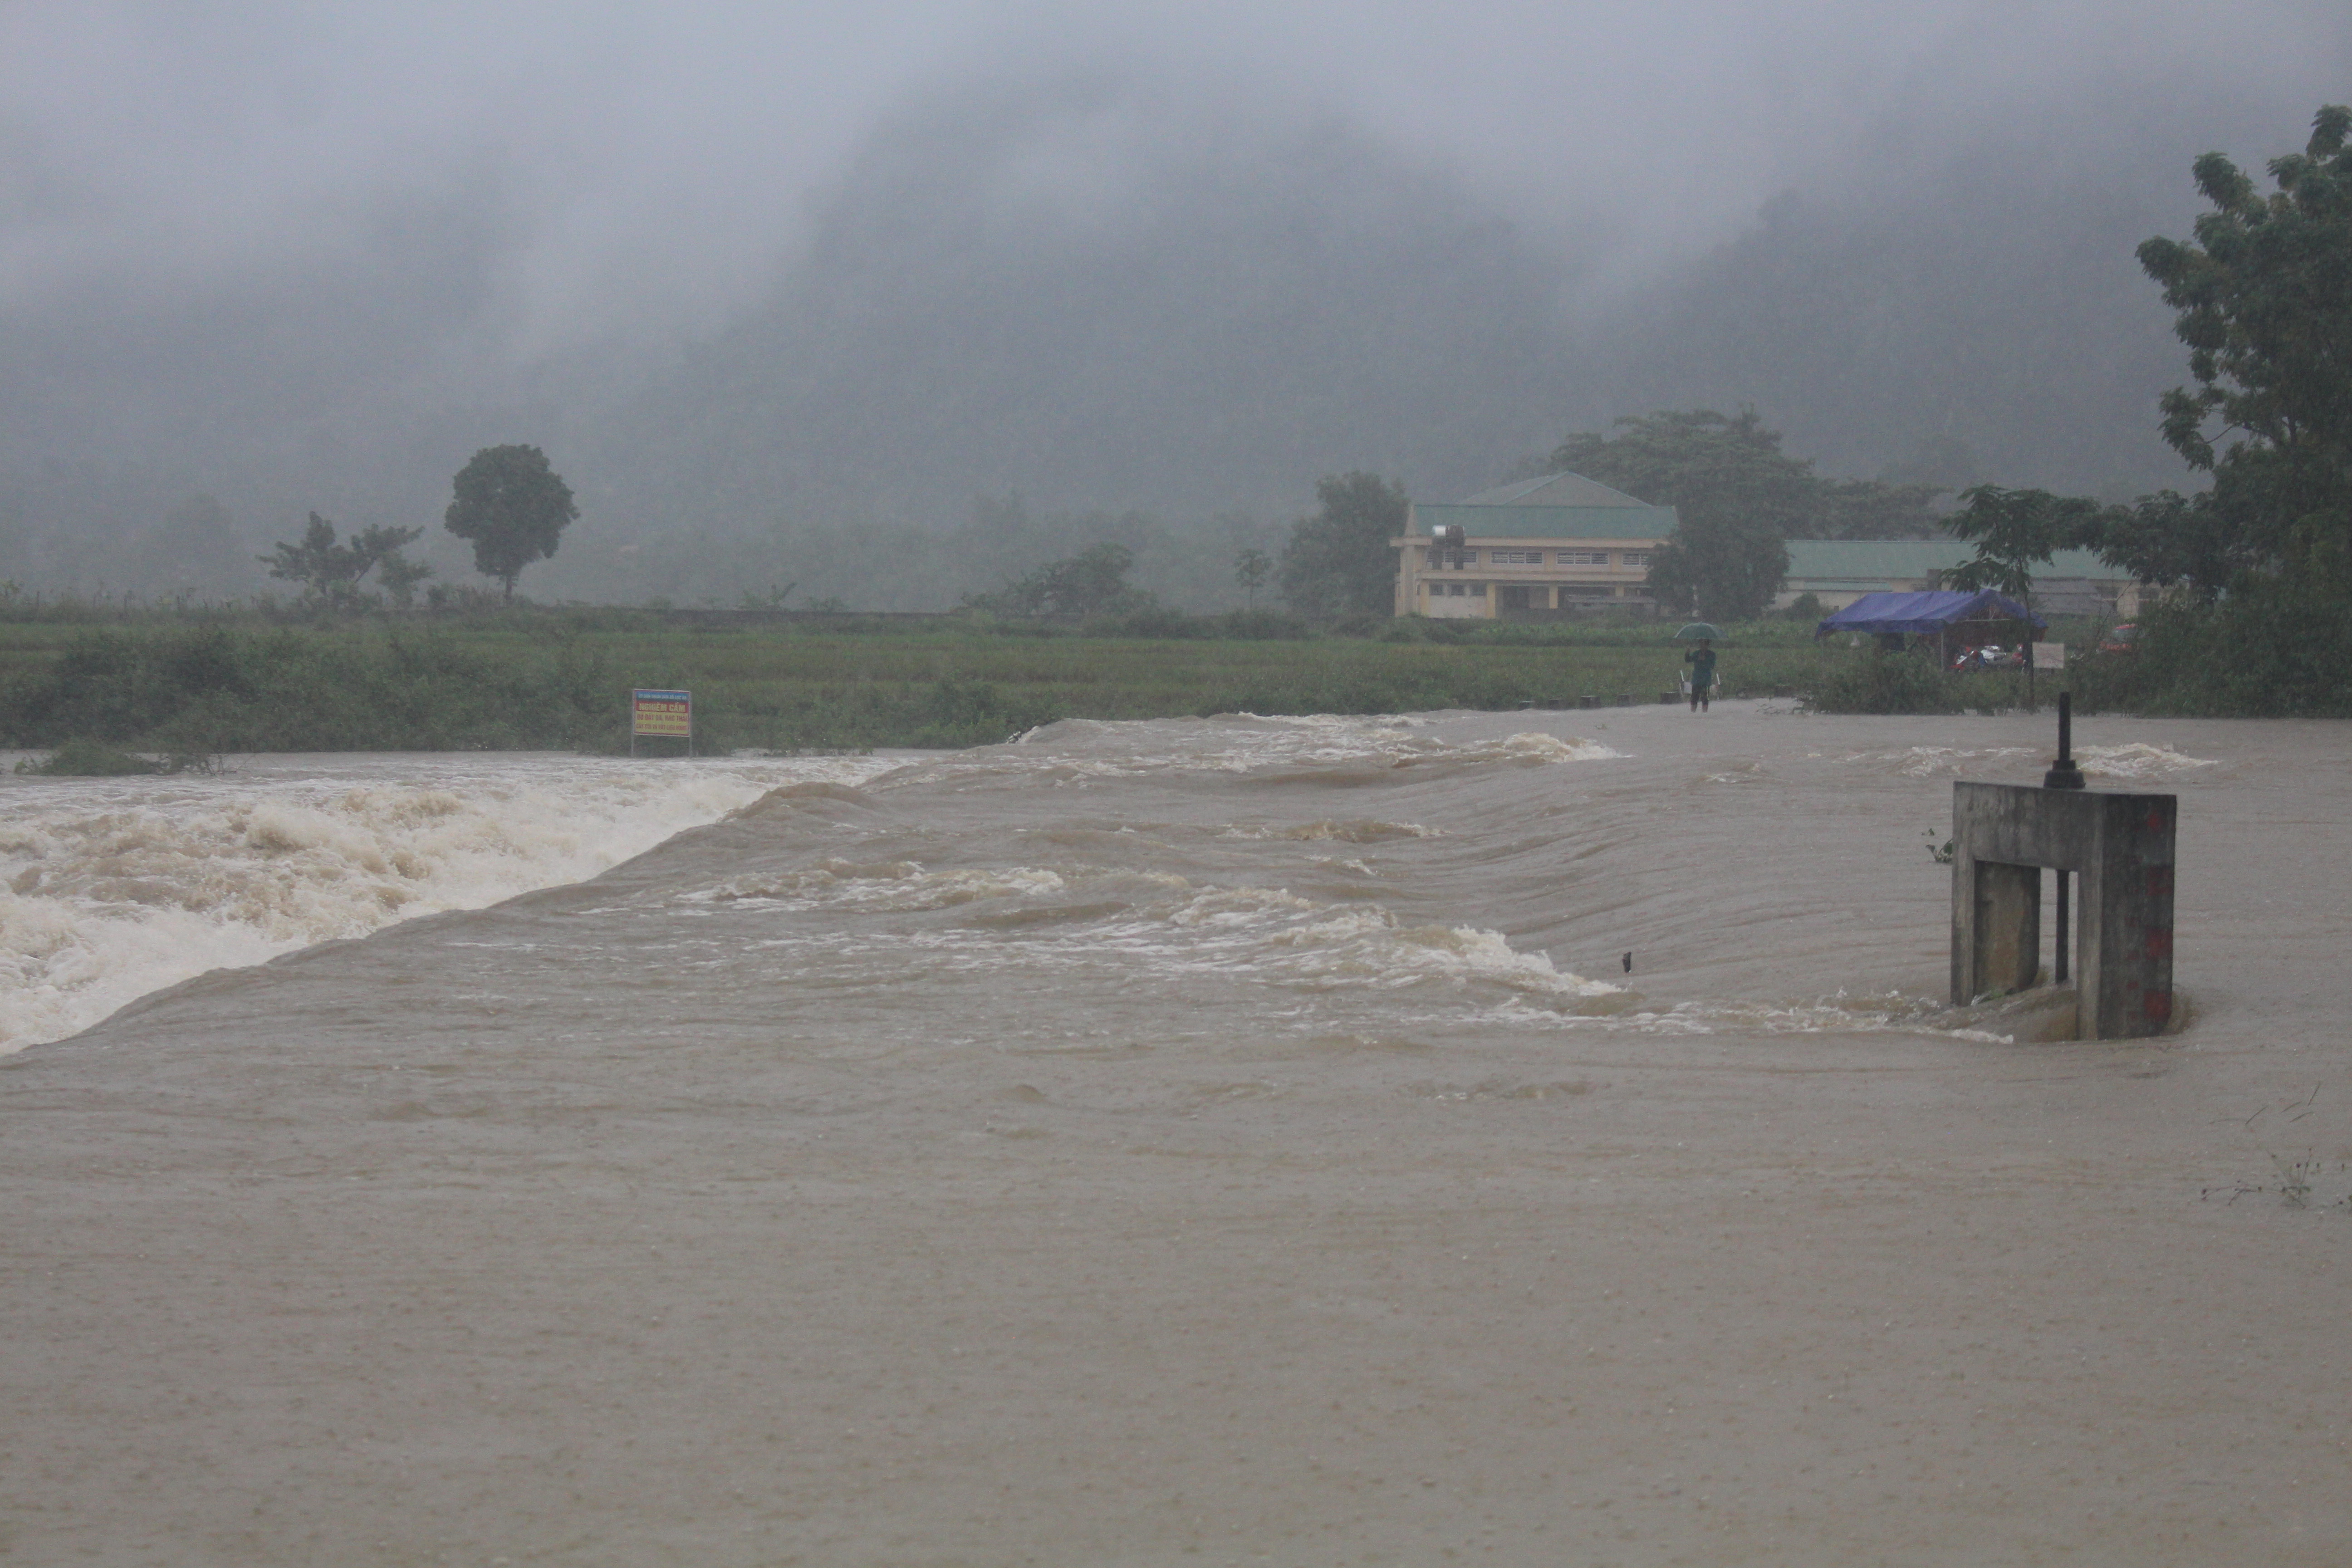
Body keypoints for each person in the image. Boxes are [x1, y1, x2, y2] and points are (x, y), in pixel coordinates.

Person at [1684, 638, 1717, 712]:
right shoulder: (1697, 653)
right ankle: (1693, 712)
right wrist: (1687, 652)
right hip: (1697, 679)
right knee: (1694, 698)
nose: (1703, 646)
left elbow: (1712, 666)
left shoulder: (1712, 654)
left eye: (1704, 644)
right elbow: (1688, 660)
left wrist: (1705, 660)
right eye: (1701, 644)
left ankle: (1705, 712)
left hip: (1706, 680)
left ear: (1707, 645)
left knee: (1705, 698)